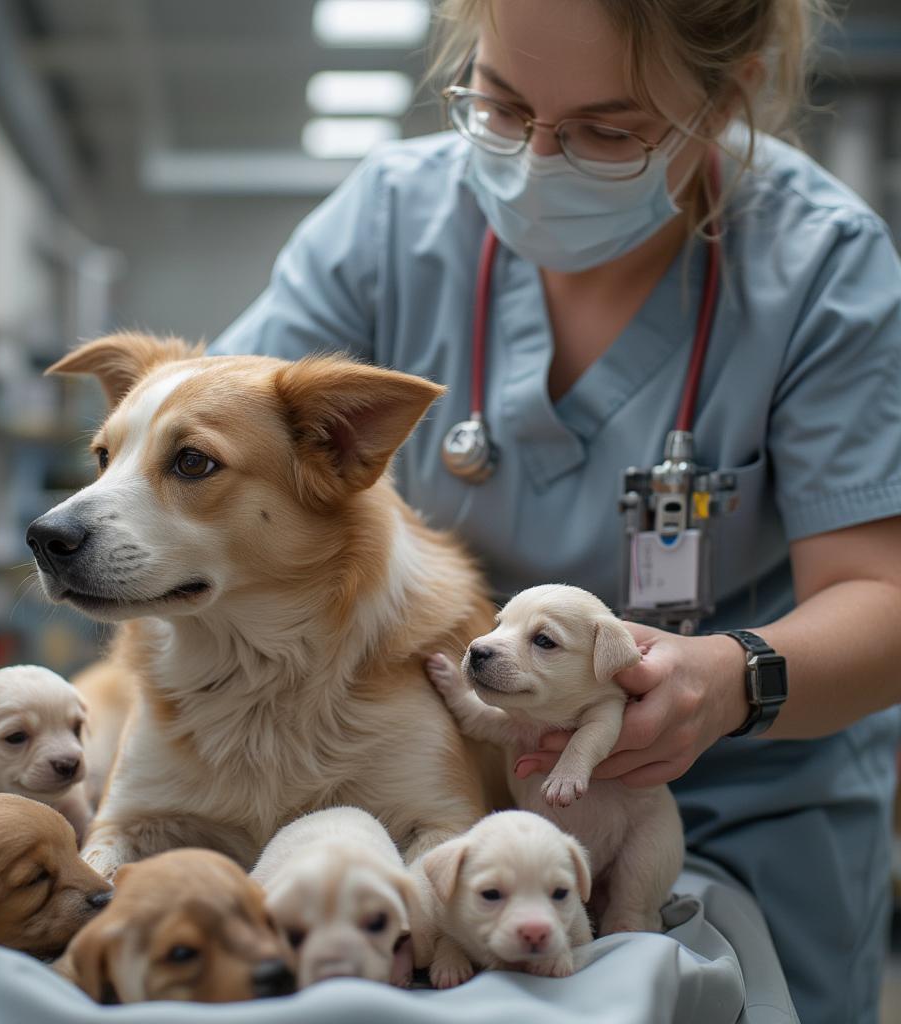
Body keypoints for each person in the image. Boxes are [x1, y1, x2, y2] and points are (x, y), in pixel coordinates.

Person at [209, 1, 901, 1020]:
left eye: (608, 130)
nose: (537, 161)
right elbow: (223, 454)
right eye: (500, 104)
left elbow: (878, 597)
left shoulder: (818, 268)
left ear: (730, 88)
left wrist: (726, 680)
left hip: (746, 800)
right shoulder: (392, 224)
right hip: (437, 791)